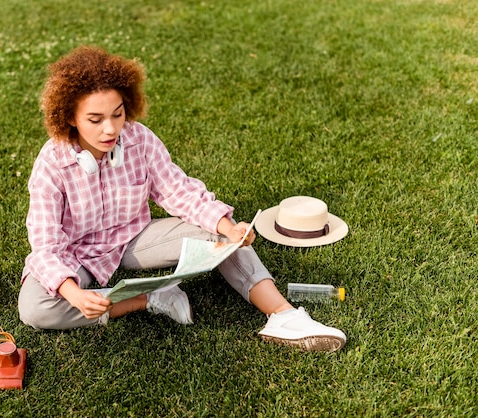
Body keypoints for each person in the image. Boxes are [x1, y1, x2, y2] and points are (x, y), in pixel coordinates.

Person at [18, 46, 347, 352]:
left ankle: (284, 315)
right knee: (34, 307)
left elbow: (178, 191)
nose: (110, 129)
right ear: (70, 117)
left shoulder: (139, 139)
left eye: (117, 115)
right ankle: (149, 297)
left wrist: (227, 227)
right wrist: (72, 292)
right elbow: (45, 245)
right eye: (95, 119)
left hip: (133, 240)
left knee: (222, 233)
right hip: (74, 253)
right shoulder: (51, 163)